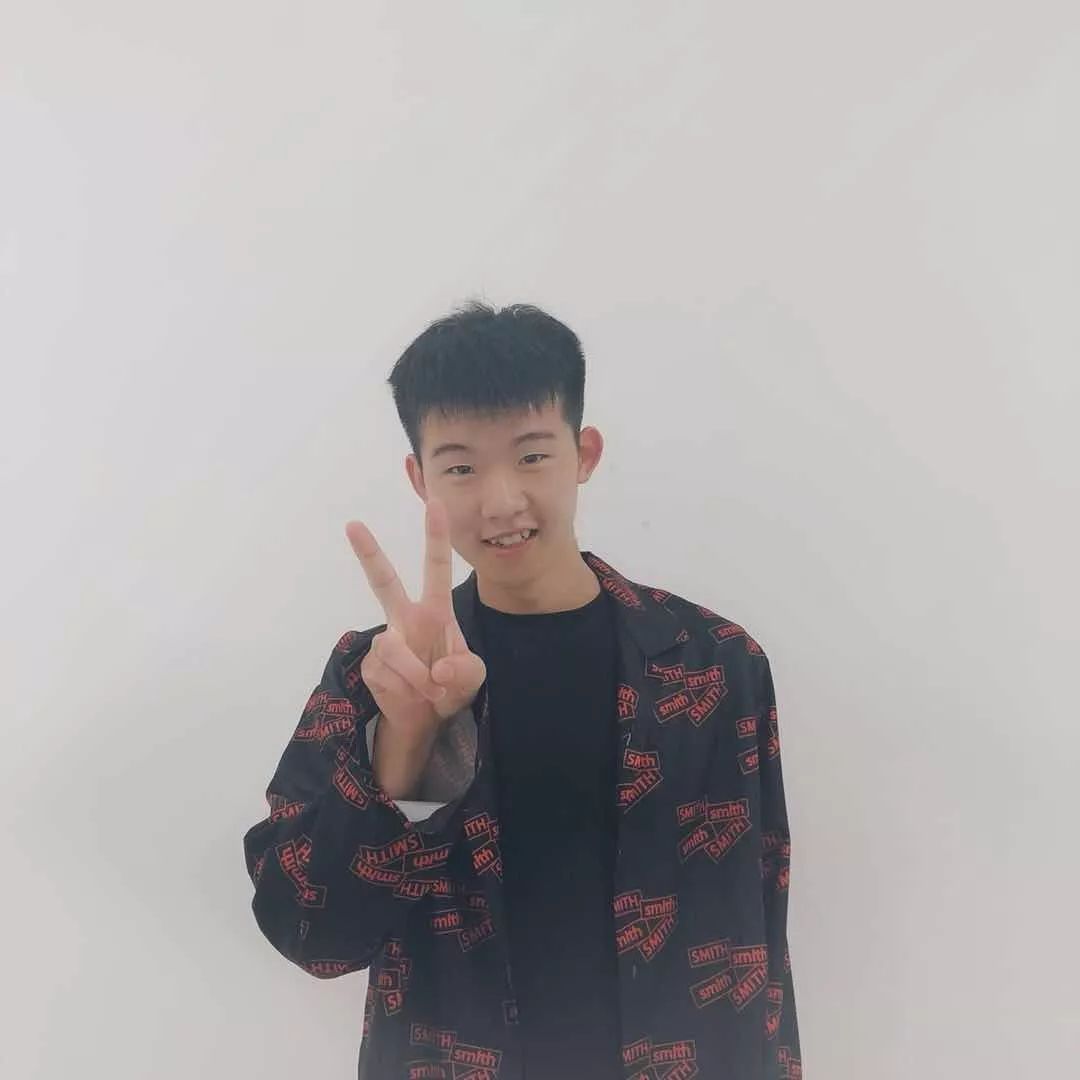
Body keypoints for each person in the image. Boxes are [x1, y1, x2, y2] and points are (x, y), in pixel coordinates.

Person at [242, 301, 803, 1079]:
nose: (501, 500)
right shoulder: (377, 675)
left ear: (584, 453)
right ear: (420, 479)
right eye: (461, 468)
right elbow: (315, 937)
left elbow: (759, 930)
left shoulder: (714, 666)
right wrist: (407, 746)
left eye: (532, 456)